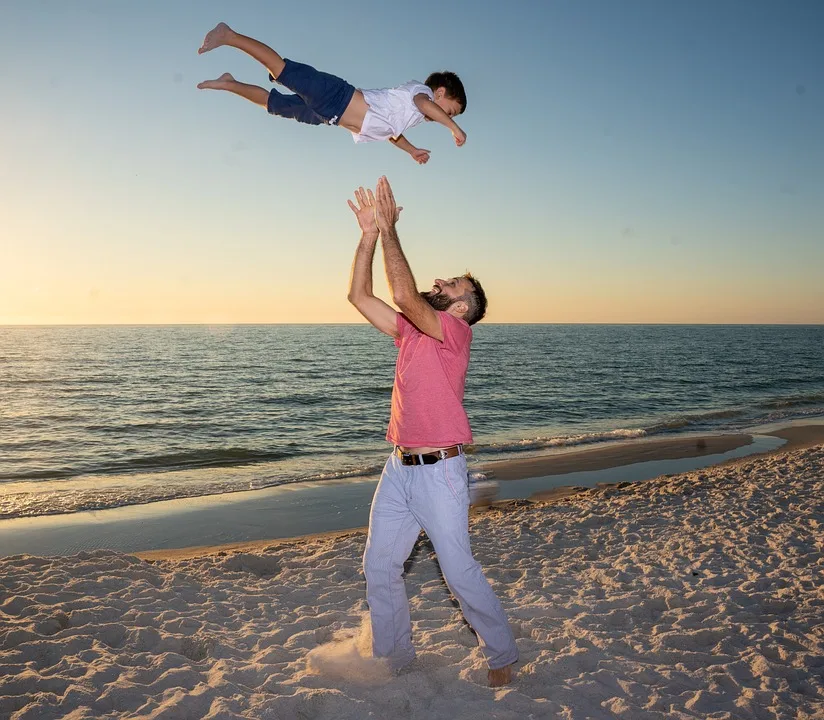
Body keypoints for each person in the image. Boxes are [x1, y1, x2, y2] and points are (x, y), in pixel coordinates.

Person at [346, 176, 518, 687]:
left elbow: (401, 289)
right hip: (398, 468)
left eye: (452, 287)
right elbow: (359, 294)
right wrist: (368, 235)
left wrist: (392, 227)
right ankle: (394, 658)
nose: (440, 282)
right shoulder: (410, 331)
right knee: (378, 563)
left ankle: (502, 656)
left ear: (463, 308)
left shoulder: (455, 333)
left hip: (441, 471)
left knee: (458, 570)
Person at [197, 23, 467, 164]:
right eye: (450, 110)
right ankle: (229, 35)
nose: (445, 116)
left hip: (328, 115)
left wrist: (410, 151)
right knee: (282, 70)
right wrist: (453, 128)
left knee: (273, 104)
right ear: (439, 93)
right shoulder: (421, 95)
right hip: (338, 96)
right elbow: (425, 105)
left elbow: (391, 134)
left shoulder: (411, 117)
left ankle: (230, 84)